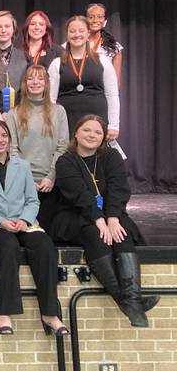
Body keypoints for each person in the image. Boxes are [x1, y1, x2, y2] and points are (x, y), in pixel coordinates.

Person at [51, 115, 159, 327]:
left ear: (103, 137)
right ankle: (129, 300)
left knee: (122, 232)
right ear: (76, 133)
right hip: (75, 215)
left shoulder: (111, 157)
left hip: (111, 212)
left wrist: (112, 218)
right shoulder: (65, 161)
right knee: (95, 235)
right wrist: (99, 221)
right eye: (86, 130)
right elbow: (79, 196)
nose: (92, 135)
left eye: (98, 132)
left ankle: (131, 297)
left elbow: (119, 189)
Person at [0, 120, 67, 336]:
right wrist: (1, 222)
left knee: (44, 245)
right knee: (8, 245)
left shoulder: (22, 166)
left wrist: (24, 220)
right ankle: (5, 313)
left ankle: (50, 313)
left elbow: (33, 201)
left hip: (23, 222)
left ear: (9, 139)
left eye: (3, 135)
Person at [7, 65, 69, 230]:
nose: (35, 82)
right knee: (26, 232)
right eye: (30, 78)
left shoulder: (59, 111)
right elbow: (12, 149)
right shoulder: (14, 113)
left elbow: (63, 147)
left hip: (51, 183)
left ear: (47, 83)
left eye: (40, 78)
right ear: (24, 83)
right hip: (23, 185)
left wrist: (51, 177)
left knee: (48, 232)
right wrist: (26, 180)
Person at [49, 16, 120, 140]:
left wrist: (114, 125)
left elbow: (112, 95)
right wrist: (52, 124)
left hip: (98, 122)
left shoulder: (103, 61)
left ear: (88, 34)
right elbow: (51, 99)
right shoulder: (57, 63)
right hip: (66, 123)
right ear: (67, 35)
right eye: (72, 31)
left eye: (81, 31)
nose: (77, 35)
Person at [86, 3, 123, 89]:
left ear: (105, 20)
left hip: (102, 94)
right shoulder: (77, 44)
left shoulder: (114, 47)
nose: (95, 20)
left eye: (99, 17)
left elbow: (116, 83)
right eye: (91, 17)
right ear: (85, 20)